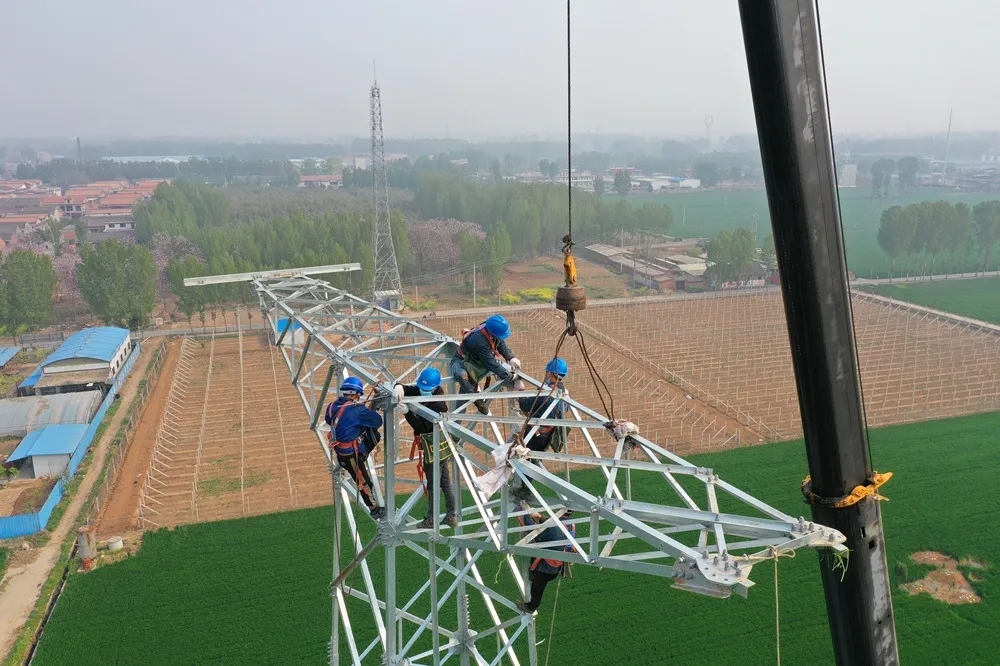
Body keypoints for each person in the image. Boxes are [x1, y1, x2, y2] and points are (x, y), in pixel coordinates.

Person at [392, 367, 458, 529]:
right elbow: (411, 389)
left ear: (434, 388)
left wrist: (407, 413)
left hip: (433, 447)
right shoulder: (427, 390)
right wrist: (399, 386)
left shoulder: (438, 405)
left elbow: (422, 427)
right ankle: (451, 515)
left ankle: (432, 518)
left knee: (434, 484)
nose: (422, 391)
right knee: (445, 482)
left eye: (425, 389)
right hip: (441, 446)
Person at [325, 376, 386, 519]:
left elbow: (329, 420)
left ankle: (373, 506)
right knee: (363, 481)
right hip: (351, 454)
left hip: (342, 452)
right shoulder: (357, 410)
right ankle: (374, 508)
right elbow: (377, 421)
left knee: (361, 478)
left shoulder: (332, 406)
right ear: (357, 393)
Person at [450, 314, 521, 415]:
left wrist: (510, 357)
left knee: (464, 394)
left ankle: (457, 418)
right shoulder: (479, 340)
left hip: (477, 362)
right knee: (462, 376)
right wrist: (509, 376)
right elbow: (490, 363)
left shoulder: (491, 329)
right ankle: (477, 401)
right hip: (461, 361)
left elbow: (500, 343)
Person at [515, 510, 578, 614]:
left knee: (537, 588)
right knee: (537, 584)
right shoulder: (570, 524)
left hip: (547, 568)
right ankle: (533, 574)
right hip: (555, 567)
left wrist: (526, 513)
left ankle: (531, 607)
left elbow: (534, 532)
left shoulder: (553, 526)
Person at [517, 358, 569, 456]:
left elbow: (525, 406)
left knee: (526, 460)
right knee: (536, 459)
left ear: (550, 373)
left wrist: (521, 391)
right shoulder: (563, 392)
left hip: (535, 434)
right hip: (548, 435)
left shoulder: (546, 393)